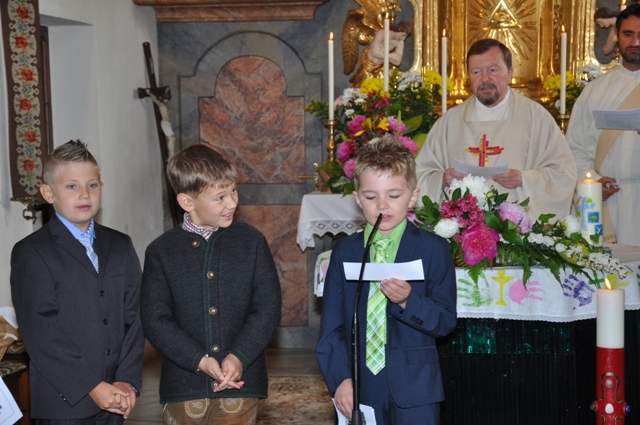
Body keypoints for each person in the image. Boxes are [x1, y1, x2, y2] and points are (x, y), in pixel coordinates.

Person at [316, 135, 457, 425]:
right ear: (357, 199)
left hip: (416, 389)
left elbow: (445, 321)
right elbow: (331, 327)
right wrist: (341, 380)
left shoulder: (433, 249)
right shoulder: (345, 251)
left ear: (412, 197)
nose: (382, 205)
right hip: (360, 386)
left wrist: (408, 301)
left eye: (393, 195)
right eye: (371, 197)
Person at [140, 144, 281, 424]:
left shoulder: (251, 242)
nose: (232, 203)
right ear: (187, 202)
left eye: (233, 191)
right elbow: (156, 320)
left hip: (240, 381)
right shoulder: (161, 252)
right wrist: (198, 359)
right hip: (184, 384)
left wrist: (239, 356)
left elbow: (268, 307)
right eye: (220, 197)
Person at [10, 140, 144, 423]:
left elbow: (134, 317)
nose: (85, 194)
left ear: (101, 187)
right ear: (48, 193)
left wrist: (127, 379)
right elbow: (42, 333)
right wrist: (91, 386)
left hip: (115, 397)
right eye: (71, 186)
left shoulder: (120, 245)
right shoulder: (32, 252)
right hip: (63, 403)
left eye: (92, 185)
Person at [415, 39, 577, 221]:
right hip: (462, 229)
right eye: (476, 72)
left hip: (519, 230)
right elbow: (419, 175)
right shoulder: (449, 122)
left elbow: (563, 173)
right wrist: (442, 179)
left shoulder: (536, 117)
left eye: (492, 70)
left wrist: (524, 180)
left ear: (510, 73)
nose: (485, 79)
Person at [566, 4, 640, 246]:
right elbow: (574, 149)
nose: (635, 42)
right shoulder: (595, 91)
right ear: (617, 35)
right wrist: (592, 181)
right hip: (606, 202)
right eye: (628, 34)